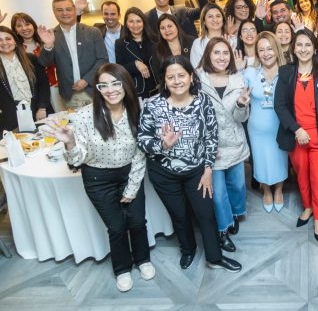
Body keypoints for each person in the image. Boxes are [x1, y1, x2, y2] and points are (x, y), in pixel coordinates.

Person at [42, 63, 154, 292]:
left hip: (130, 172)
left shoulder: (136, 111)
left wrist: (132, 188)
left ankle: (143, 259)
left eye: (116, 83)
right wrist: (70, 142)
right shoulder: (84, 116)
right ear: (98, 89)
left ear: (125, 85)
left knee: (137, 221)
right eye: (104, 85)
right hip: (98, 179)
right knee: (116, 226)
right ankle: (122, 268)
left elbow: (140, 153)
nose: (111, 89)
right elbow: (76, 160)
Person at [137, 55, 241, 272]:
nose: (177, 81)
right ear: (164, 81)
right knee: (180, 215)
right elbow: (142, 140)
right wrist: (162, 145)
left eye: (181, 75)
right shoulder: (153, 105)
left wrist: (208, 169)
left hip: (197, 172)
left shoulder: (202, 101)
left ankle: (214, 257)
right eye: (171, 77)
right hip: (163, 173)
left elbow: (212, 136)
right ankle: (188, 249)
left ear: (191, 76)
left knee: (205, 213)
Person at [274, 29, 318, 243]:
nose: (303, 49)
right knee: (302, 176)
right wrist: (296, 129)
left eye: (307, 45)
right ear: (293, 49)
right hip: (297, 135)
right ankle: (307, 207)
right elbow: (280, 106)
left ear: (314, 48)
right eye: (299, 45)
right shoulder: (286, 72)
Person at [197, 37, 251, 252]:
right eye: (216, 52)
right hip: (213, 148)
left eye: (225, 53)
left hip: (235, 143)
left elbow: (242, 118)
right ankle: (223, 229)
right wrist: (205, 146)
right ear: (208, 55)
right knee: (218, 194)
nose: (221, 57)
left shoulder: (238, 80)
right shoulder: (197, 81)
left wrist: (240, 104)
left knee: (237, 186)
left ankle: (236, 213)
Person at [243, 32, 289, 212]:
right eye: (261, 49)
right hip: (258, 128)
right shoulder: (249, 72)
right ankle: (267, 191)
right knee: (261, 160)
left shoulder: (287, 71)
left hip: (280, 126)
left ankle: (279, 190)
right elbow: (241, 96)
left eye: (269, 48)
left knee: (280, 160)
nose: (266, 53)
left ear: (276, 49)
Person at [37, 0, 108, 109]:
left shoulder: (93, 32)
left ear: (74, 10)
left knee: (101, 124)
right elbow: (44, 63)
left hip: (94, 90)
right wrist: (48, 45)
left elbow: (103, 60)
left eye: (68, 9)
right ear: (54, 12)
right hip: (69, 95)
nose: (65, 13)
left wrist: (86, 80)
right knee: (75, 126)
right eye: (60, 10)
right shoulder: (50, 35)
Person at [0, 26, 50, 131]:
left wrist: (42, 108)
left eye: (8, 39)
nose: (4, 43)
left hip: (38, 112)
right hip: (11, 119)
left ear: (15, 40)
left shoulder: (30, 58)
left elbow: (43, 84)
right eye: (0, 40)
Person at [11, 12, 62, 112]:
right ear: (15, 30)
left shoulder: (46, 42)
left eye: (27, 24)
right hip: (35, 94)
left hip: (54, 88)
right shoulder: (15, 50)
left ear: (33, 25)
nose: (24, 28)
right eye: (19, 26)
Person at [115, 7, 157, 99]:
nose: (135, 25)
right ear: (126, 23)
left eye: (138, 21)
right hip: (137, 92)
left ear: (144, 22)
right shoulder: (120, 43)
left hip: (159, 88)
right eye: (131, 21)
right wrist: (135, 64)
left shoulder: (155, 39)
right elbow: (120, 69)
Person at [190, 3, 236, 68]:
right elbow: (197, 70)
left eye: (218, 16)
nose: (215, 20)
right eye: (210, 16)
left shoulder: (233, 40)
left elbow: (238, 67)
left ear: (223, 19)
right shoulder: (198, 44)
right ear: (204, 21)